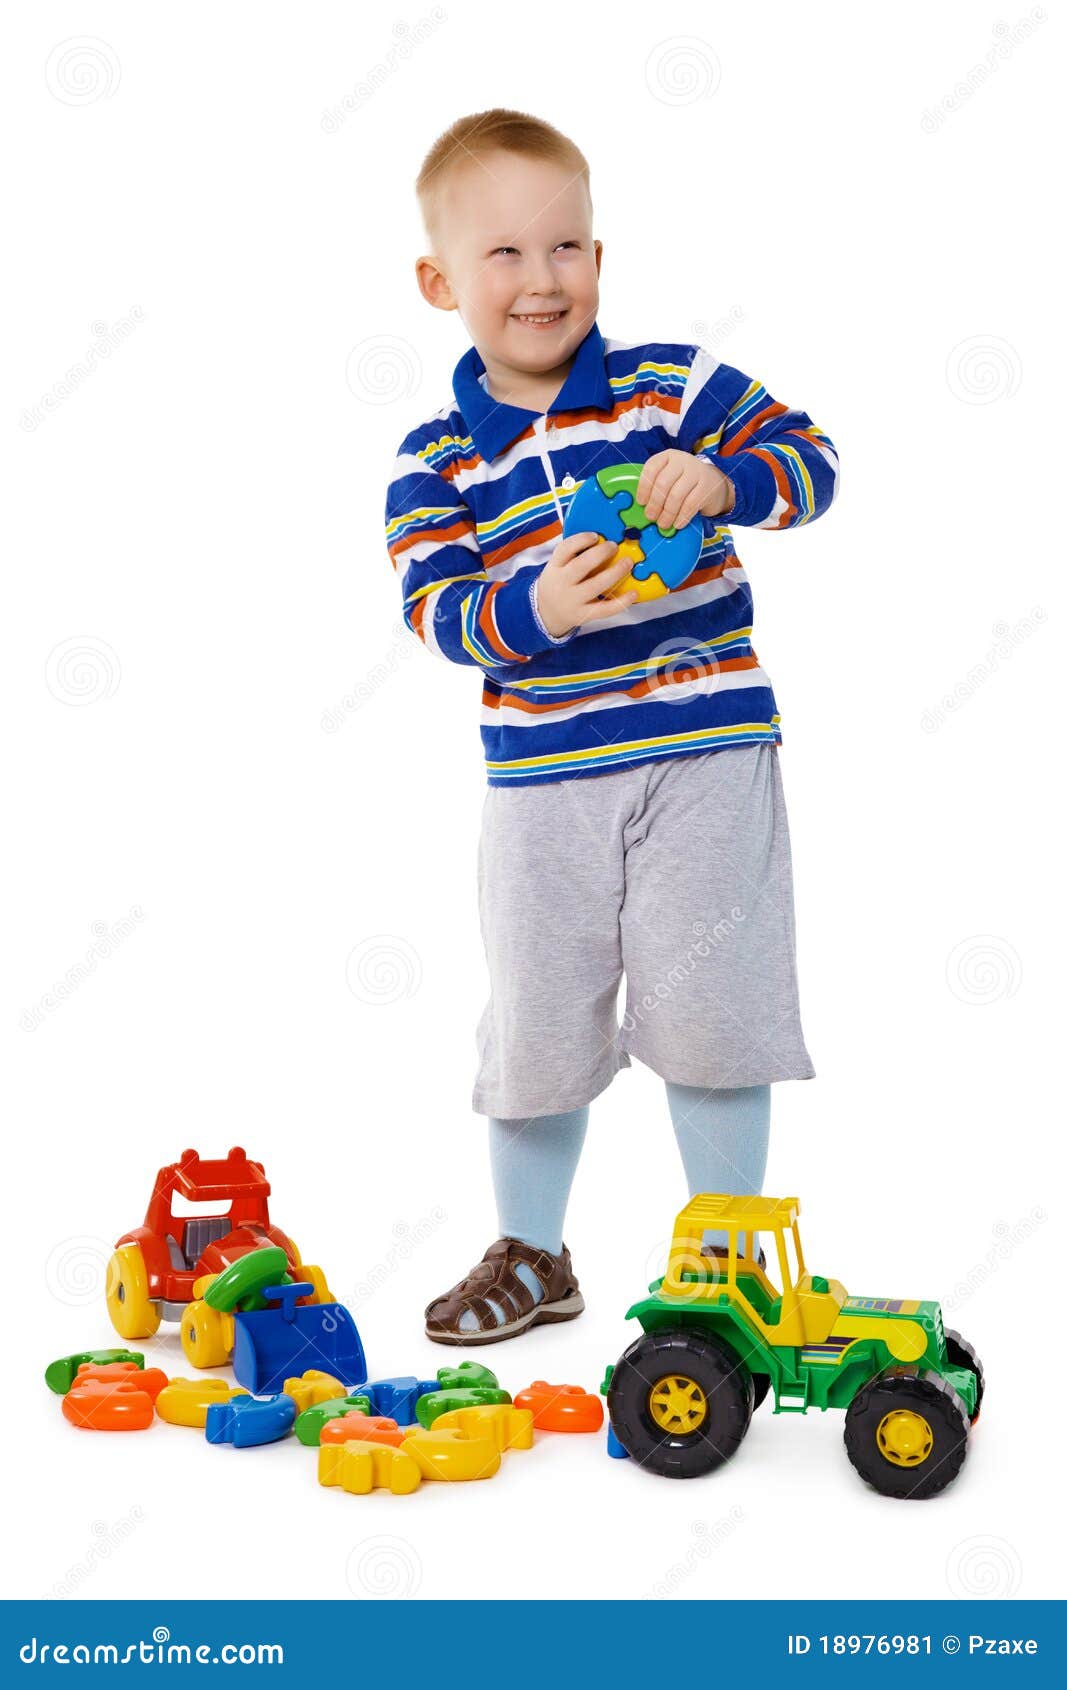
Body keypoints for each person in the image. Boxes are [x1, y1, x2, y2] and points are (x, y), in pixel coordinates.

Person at [384, 108, 839, 1345]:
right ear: (439, 283)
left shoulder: (669, 387)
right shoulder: (434, 461)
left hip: (704, 756)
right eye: (504, 256)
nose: (543, 281)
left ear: (598, 256)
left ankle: (730, 1261)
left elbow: (813, 460)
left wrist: (728, 479)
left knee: (716, 1011)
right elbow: (437, 610)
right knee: (535, 1021)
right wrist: (528, 605)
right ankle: (534, 1253)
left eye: (566, 248)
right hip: (542, 786)